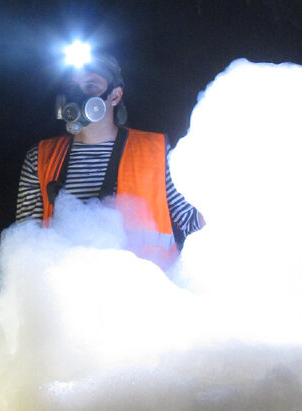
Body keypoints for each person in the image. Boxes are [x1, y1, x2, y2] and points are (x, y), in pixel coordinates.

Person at [15, 52, 203, 266]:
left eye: (91, 86)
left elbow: (192, 220)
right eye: (72, 87)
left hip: (148, 292)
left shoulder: (156, 152)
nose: (78, 95)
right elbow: (26, 244)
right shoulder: (40, 158)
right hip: (66, 294)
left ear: (115, 96)